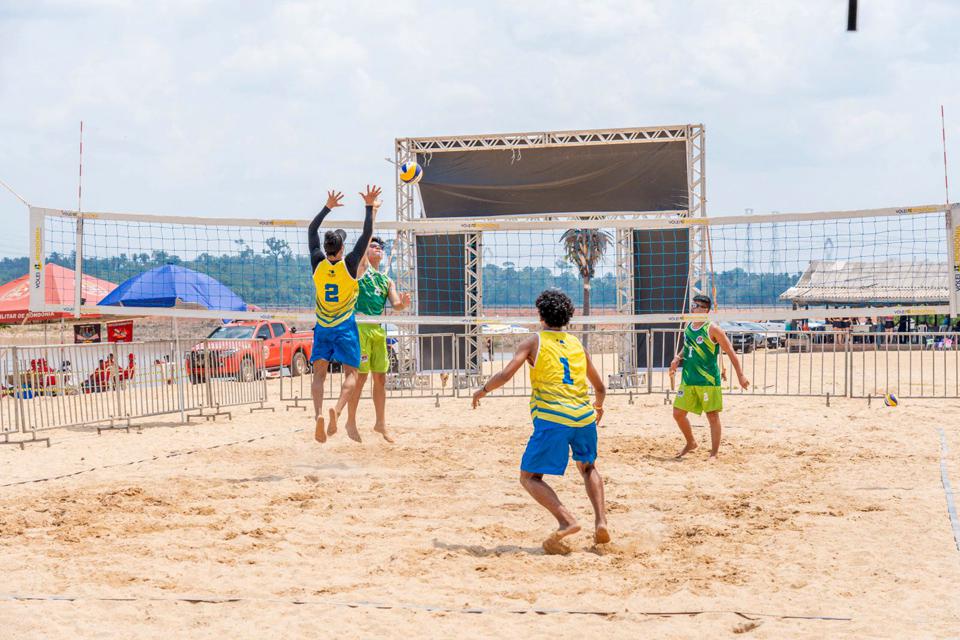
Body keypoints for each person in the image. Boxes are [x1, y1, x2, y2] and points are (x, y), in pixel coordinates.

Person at [472, 289, 609, 555]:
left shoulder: (534, 341)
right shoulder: (577, 344)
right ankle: (601, 521)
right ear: (568, 317)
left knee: (529, 477)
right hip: (584, 416)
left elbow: (506, 374)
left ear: (540, 315)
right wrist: (598, 407)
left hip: (553, 417)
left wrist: (483, 390)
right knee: (589, 467)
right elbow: (601, 387)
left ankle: (566, 520)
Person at [308, 185, 380, 444]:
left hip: (323, 325)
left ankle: (318, 414)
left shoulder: (317, 261)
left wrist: (327, 206)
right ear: (340, 250)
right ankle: (336, 412)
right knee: (352, 374)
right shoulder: (350, 265)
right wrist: (369, 206)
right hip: (344, 325)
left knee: (319, 374)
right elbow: (368, 233)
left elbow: (311, 230)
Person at [344, 232, 411, 443]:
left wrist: (404, 303)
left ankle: (380, 423)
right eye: (374, 246)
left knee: (380, 378)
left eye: (381, 247)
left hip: (377, 329)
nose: (378, 248)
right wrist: (371, 211)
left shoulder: (386, 280)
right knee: (361, 378)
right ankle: (351, 422)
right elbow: (365, 242)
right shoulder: (361, 269)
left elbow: (396, 306)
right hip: (360, 327)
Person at [669, 295, 750, 459]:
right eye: (692, 305)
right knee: (678, 413)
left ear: (704, 310)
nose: (692, 308)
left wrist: (740, 375)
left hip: (708, 380)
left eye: (695, 305)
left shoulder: (713, 328)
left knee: (712, 415)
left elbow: (730, 352)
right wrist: (678, 358)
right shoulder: (689, 327)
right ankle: (691, 442)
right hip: (689, 379)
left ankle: (714, 453)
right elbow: (688, 348)